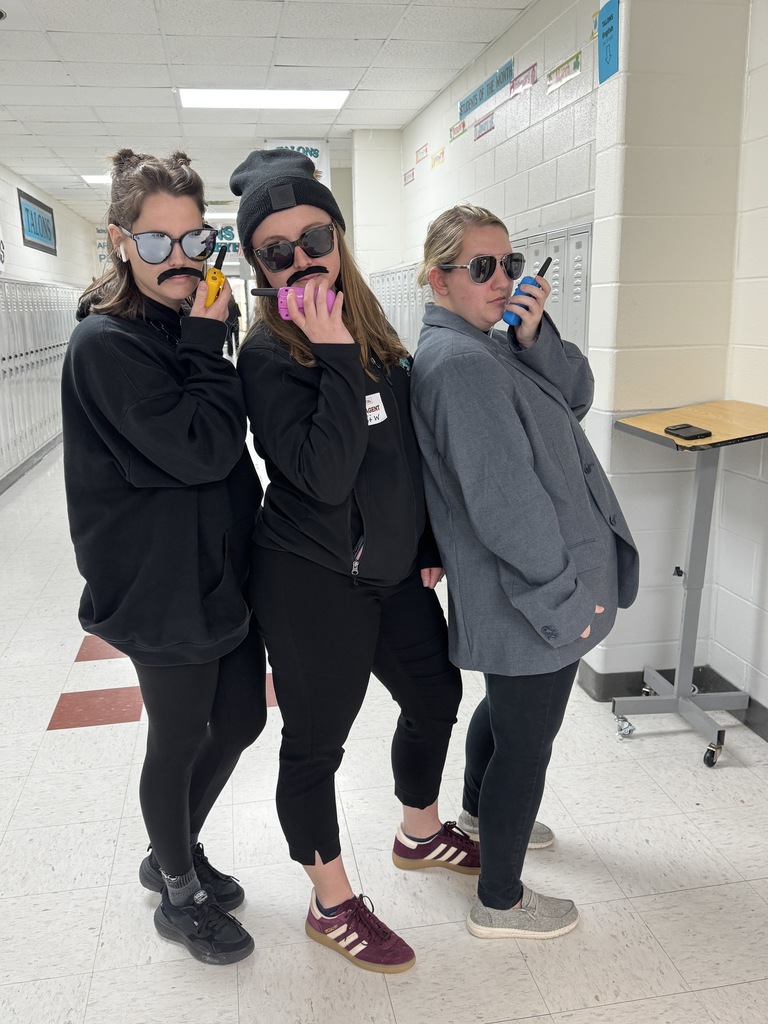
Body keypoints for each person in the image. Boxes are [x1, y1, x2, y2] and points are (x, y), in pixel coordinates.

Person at [229, 149, 470, 974]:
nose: (302, 258)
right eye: (277, 250)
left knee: (436, 692)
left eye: (315, 236)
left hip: (393, 570)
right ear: (259, 267)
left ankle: (418, 832)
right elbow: (324, 476)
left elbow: (401, 448)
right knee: (316, 747)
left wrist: (429, 541)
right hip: (312, 580)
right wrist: (330, 355)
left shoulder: (372, 326)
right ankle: (330, 903)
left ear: (339, 236)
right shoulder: (268, 355)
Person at [410, 204, 639, 940]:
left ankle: (479, 818)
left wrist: (536, 333)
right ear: (437, 279)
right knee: (526, 746)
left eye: (509, 263)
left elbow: (574, 394)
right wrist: (560, 600)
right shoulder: (463, 366)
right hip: (529, 598)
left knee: (506, 719)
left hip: (531, 597)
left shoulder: (496, 343)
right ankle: (500, 900)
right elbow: (506, 507)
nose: (503, 279)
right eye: (482, 267)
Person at [61, 149, 266, 966]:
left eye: (195, 239)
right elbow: (202, 447)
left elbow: (227, 443)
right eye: (155, 242)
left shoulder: (184, 327)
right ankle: (178, 894)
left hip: (221, 570)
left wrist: (204, 344)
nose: (181, 259)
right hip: (159, 585)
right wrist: (207, 348)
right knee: (179, 736)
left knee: (243, 718)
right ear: (119, 243)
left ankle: (171, 846)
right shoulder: (106, 345)